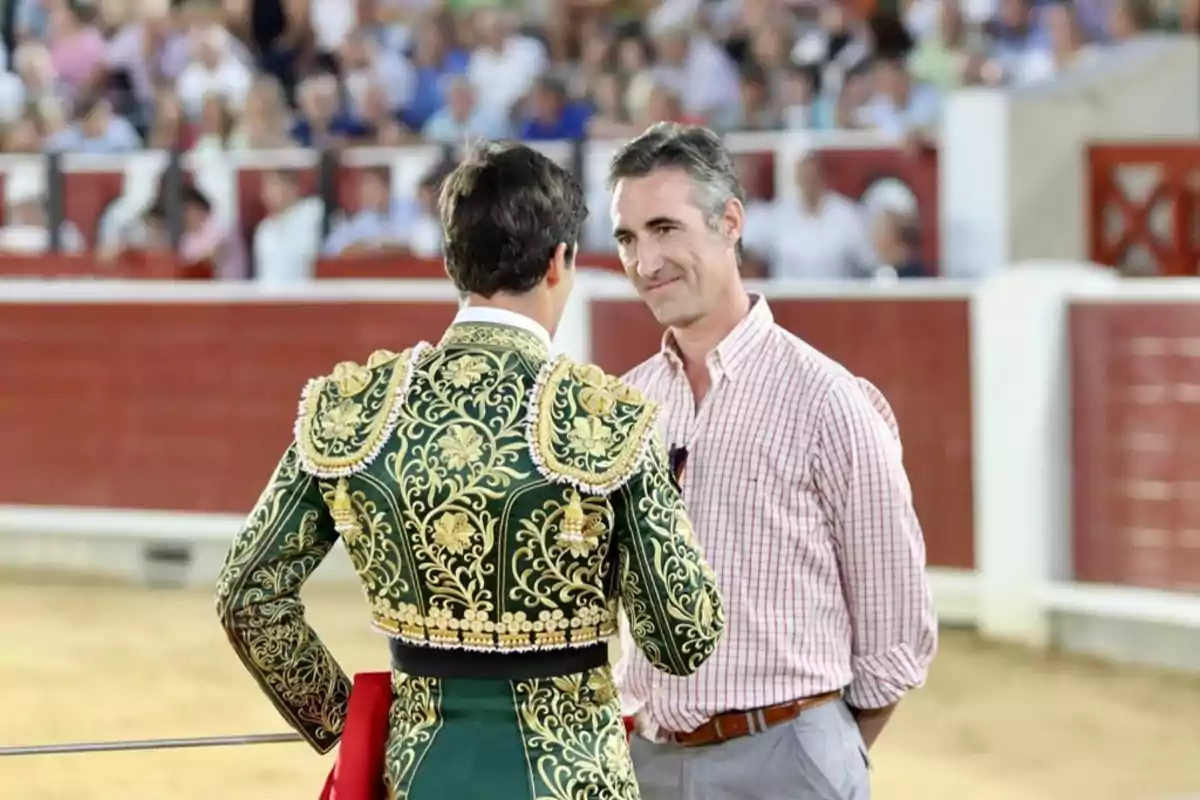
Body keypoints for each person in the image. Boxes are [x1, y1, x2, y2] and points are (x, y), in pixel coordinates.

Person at [214, 141, 726, 800]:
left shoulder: (357, 409)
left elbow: (246, 595)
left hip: (421, 769)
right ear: (560, 261)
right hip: (573, 777)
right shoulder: (608, 420)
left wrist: (344, 718)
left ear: (453, 262)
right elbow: (682, 636)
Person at [607, 123, 937, 800]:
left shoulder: (829, 402)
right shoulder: (627, 403)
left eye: (665, 229)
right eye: (628, 238)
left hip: (786, 756)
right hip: (647, 761)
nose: (645, 262)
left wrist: (813, 748)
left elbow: (896, 630)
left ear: (730, 222)